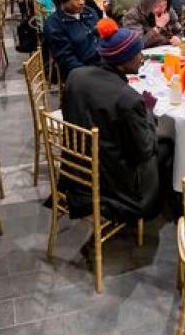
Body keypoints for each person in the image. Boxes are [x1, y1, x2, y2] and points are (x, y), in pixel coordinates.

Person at [61, 18, 165, 223]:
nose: (141, 58)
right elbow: (143, 150)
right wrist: (149, 113)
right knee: (165, 146)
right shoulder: (128, 98)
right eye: (138, 54)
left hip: (76, 171)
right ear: (124, 60)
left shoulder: (75, 76)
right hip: (113, 185)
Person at [42, 0, 100, 78]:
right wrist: (88, 74)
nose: (81, 2)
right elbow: (65, 58)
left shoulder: (89, 12)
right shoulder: (54, 24)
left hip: (101, 63)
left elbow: (101, 36)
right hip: (80, 72)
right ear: (64, 1)